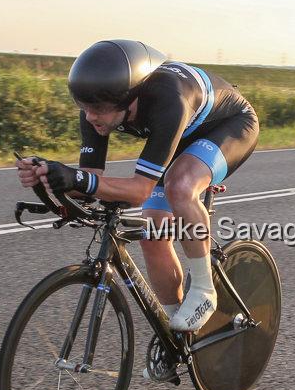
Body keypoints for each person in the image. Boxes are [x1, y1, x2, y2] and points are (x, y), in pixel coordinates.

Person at [15, 39, 259, 333]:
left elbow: (139, 191)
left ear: (130, 98)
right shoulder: (96, 108)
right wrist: (50, 174)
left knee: (180, 185)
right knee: (152, 232)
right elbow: (91, 176)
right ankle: (176, 333)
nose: (91, 116)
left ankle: (205, 290)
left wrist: (76, 179)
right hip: (177, 135)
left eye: (99, 109)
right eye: (84, 107)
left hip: (230, 126)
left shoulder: (169, 100)